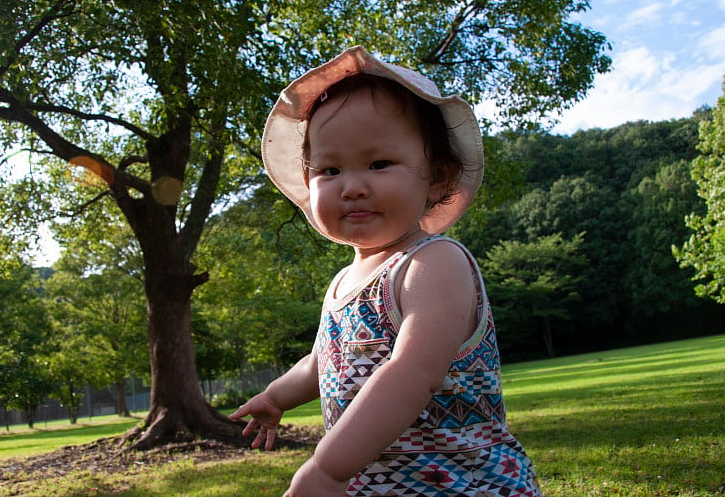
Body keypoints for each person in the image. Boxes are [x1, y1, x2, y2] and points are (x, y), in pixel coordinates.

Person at [230, 46, 541, 496]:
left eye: (378, 164)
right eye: (330, 169)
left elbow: (412, 372)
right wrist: (276, 397)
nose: (353, 187)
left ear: (438, 177)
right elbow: (322, 361)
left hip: (462, 485)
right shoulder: (342, 284)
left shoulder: (434, 263)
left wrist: (328, 468)